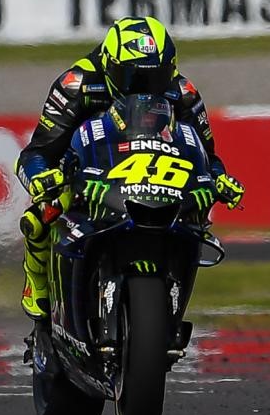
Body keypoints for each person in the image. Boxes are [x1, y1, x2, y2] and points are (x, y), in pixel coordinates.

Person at [13, 17, 245, 320]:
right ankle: (38, 284)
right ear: (109, 65)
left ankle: (172, 297)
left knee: (195, 222)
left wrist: (218, 179)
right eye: (131, 78)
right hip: (91, 178)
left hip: (157, 179)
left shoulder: (183, 93)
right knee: (39, 217)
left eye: (155, 78)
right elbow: (36, 154)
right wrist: (41, 179)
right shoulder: (76, 85)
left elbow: (206, 154)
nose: (144, 88)